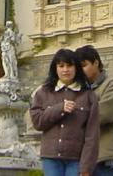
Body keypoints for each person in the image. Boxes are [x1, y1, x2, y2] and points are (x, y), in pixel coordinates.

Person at [29, 48, 99, 176]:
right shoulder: (43, 93)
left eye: (69, 66)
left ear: (76, 68)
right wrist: (59, 108)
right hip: (51, 158)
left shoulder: (88, 96)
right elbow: (37, 122)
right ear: (55, 69)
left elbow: (92, 135)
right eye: (61, 66)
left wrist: (86, 166)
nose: (65, 70)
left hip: (76, 158)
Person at [75, 45, 113, 176]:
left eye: (84, 65)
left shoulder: (112, 85)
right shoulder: (77, 91)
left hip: (107, 158)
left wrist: (75, 116)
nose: (80, 70)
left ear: (96, 63)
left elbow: (103, 114)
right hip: (82, 160)